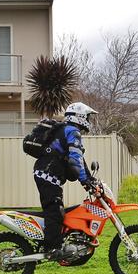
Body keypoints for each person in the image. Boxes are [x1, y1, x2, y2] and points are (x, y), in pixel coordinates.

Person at [33, 102, 100, 260]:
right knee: (55, 211)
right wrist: (85, 182)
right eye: (88, 117)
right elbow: (75, 162)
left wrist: (89, 180)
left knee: (57, 209)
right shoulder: (72, 132)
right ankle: (52, 248)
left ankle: (56, 242)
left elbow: (79, 160)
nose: (89, 120)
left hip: (47, 174)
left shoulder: (66, 130)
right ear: (81, 116)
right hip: (47, 175)